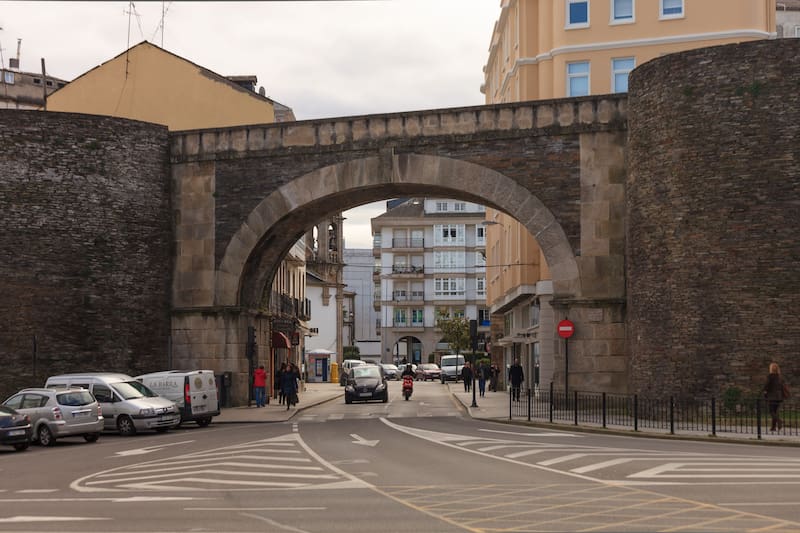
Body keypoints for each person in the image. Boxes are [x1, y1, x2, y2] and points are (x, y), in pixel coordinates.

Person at [763, 362, 788, 432]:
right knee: (775, 412)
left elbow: (767, 385)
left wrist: (764, 391)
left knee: (771, 411)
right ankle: (773, 427)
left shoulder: (770, 376)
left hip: (772, 396)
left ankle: (779, 421)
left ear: (771, 369)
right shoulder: (779, 377)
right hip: (779, 397)